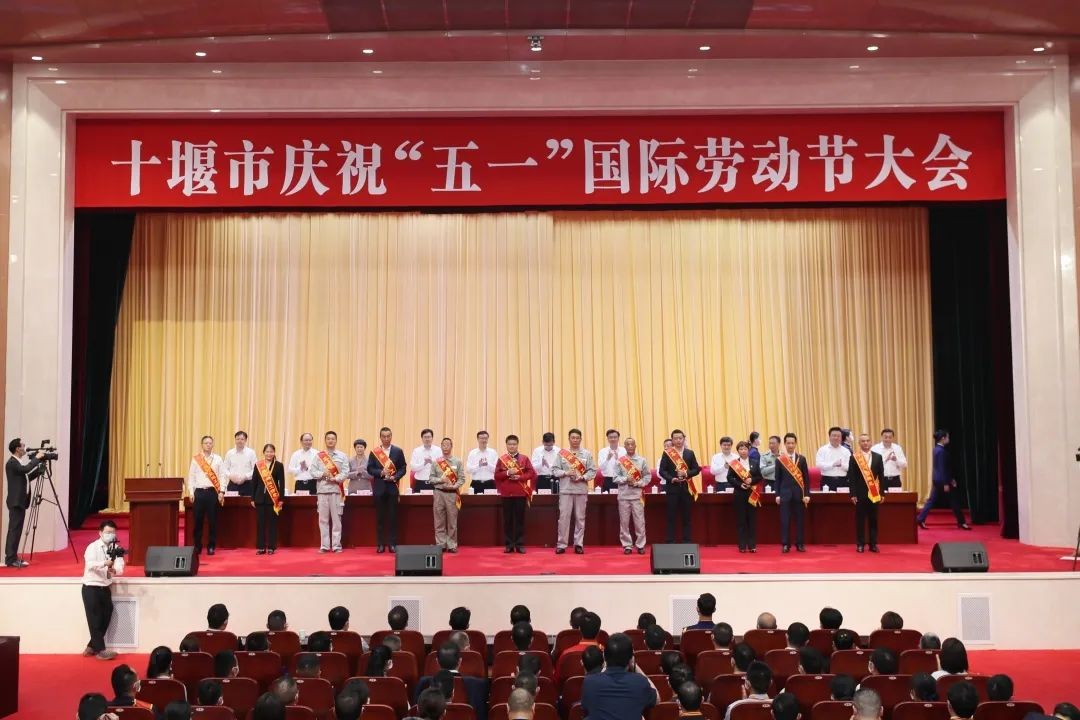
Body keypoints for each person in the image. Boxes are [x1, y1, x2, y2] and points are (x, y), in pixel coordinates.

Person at [580, 633, 658, 720]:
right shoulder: (640, 682)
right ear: (630, 658)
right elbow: (657, 699)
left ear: (604, 656)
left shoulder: (589, 682)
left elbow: (586, 708)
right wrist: (634, 665)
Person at [81, 519, 125, 660]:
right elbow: (90, 564)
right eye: (107, 532)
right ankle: (101, 650)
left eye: (112, 532)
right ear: (100, 533)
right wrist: (104, 563)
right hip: (91, 587)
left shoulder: (116, 548)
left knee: (106, 616)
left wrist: (114, 570)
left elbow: (120, 567)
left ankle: (91, 646)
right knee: (94, 619)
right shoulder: (92, 547)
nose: (110, 535)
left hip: (105, 587)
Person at [551, 428, 596, 554]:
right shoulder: (562, 454)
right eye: (573, 438)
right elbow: (554, 470)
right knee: (563, 518)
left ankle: (578, 544)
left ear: (581, 439)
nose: (575, 440)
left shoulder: (586, 454)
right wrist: (566, 473)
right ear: (569, 439)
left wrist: (582, 477)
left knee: (580, 518)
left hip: (581, 490)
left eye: (577, 438)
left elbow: (592, 471)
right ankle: (561, 544)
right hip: (565, 490)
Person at [917, 431, 971, 530]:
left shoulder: (936, 449)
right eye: (947, 437)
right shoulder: (941, 451)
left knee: (931, 501)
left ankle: (920, 519)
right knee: (954, 501)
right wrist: (947, 482)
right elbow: (943, 468)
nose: (948, 439)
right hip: (943, 480)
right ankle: (962, 522)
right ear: (943, 438)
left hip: (937, 479)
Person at [5, 438, 45, 568]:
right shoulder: (12, 463)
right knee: (14, 530)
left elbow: (26, 477)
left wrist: (39, 471)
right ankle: (10, 559)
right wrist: (37, 458)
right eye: (23, 445)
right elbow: (26, 470)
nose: (24, 448)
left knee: (17, 531)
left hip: (20, 502)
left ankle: (13, 557)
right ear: (17, 448)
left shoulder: (18, 464)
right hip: (16, 502)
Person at [367, 427, 408, 553]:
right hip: (379, 489)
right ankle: (380, 544)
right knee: (380, 518)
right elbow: (370, 469)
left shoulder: (398, 451)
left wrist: (395, 477)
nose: (386, 438)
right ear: (380, 437)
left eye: (388, 436)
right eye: (383, 436)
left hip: (392, 488)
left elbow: (403, 468)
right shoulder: (375, 452)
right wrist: (381, 472)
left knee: (393, 517)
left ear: (391, 436)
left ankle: (392, 544)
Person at [495, 434, 537, 554]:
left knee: (520, 520)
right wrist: (508, 472)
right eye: (509, 444)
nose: (512, 446)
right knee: (507, 520)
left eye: (514, 444)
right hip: (506, 494)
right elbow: (497, 475)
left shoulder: (524, 458)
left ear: (517, 445)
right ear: (506, 445)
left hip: (520, 493)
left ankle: (519, 544)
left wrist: (520, 477)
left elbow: (531, 473)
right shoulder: (502, 459)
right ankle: (509, 545)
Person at [660, 429, 702, 543]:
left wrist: (686, 473)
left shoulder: (689, 453)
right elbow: (662, 471)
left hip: (686, 489)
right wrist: (671, 478)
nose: (678, 440)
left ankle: (687, 541)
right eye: (675, 438)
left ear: (684, 439)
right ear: (672, 440)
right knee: (671, 516)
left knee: (686, 517)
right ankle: (670, 541)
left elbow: (696, 469)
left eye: (680, 438)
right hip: (672, 489)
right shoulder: (667, 453)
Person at [847, 433, 886, 553]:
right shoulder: (854, 457)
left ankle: (873, 544)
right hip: (860, 494)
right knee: (860, 520)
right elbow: (852, 477)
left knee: (874, 519)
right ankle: (860, 544)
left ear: (871, 442)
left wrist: (882, 493)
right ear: (859, 443)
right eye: (863, 441)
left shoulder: (878, 457)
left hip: (874, 493)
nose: (865, 443)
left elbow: (881, 476)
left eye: (867, 440)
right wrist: (853, 494)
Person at [187, 435, 225, 555]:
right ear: (202, 445)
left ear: (212, 445)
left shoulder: (218, 459)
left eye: (210, 443)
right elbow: (191, 476)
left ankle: (211, 546)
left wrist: (221, 491)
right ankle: (197, 546)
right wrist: (191, 492)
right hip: (199, 493)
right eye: (206, 443)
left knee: (213, 521)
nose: (208, 445)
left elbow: (222, 476)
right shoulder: (196, 459)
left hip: (212, 493)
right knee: (198, 521)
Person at [313, 431, 349, 553]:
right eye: (328, 438)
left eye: (333, 438)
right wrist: (322, 474)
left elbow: (345, 472)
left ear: (336, 440)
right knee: (323, 520)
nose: (330, 441)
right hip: (322, 491)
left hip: (336, 491)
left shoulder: (342, 456)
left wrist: (336, 478)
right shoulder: (319, 456)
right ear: (325, 440)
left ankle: (336, 546)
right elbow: (312, 471)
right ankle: (324, 546)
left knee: (337, 520)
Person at [429, 437, 466, 552]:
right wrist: (441, 480)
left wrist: (455, 486)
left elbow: (462, 478)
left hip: (452, 494)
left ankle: (452, 545)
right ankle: (441, 544)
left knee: (452, 521)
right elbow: (431, 479)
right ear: (441, 446)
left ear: (451, 446)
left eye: (447, 445)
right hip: (439, 493)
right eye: (443, 445)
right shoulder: (436, 462)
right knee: (439, 521)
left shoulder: (457, 462)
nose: (445, 447)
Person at [775, 433, 810, 553]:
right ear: (785, 444)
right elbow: (777, 479)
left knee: (799, 520)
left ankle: (800, 544)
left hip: (799, 495)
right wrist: (777, 495)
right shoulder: (780, 460)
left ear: (796, 444)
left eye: (792, 443)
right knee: (785, 521)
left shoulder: (802, 459)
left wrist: (807, 494)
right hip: (785, 495)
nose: (790, 445)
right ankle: (785, 544)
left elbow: (806, 479)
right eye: (788, 443)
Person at [613, 436, 649, 554]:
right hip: (623, 496)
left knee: (640, 522)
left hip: (637, 496)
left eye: (632, 444)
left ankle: (640, 545)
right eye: (627, 444)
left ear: (635, 446)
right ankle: (627, 545)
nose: (630, 446)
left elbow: (647, 476)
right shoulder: (620, 461)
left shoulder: (642, 460)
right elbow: (615, 478)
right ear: (624, 447)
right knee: (624, 522)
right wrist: (625, 479)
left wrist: (639, 483)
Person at [728, 440, 763, 552]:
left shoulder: (755, 462)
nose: (743, 451)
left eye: (745, 449)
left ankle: (752, 546)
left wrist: (752, 480)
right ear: (738, 451)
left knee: (751, 520)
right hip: (739, 494)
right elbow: (729, 478)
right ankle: (742, 546)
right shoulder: (734, 464)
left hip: (752, 493)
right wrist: (740, 484)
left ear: (749, 450)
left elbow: (759, 477)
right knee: (741, 520)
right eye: (741, 449)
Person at [250, 443, 285, 555]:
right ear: (263, 453)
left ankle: (271, 547)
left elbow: (282, 483)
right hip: (259, 498)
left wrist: (281, 499)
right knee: (260, 524)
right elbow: (254, 482)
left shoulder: (279, 465)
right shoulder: (258, 465)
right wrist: (252, 498)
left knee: (272, 523)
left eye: (271, 452)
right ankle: (261, 547)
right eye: (267, 452)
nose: (269, 454)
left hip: (273, 499)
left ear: (274, 453)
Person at [222, 430, 256, 497]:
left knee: (247, 503)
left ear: (245, 440)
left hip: (247, 485)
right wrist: (230, 476)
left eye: (242, 439)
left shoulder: (251, 453)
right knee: (232, 503)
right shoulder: (229, 453)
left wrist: (245, 476)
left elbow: (255, 469)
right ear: (235, 440)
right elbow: (224, 468)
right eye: (238, 439)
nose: (240, 441)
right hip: (233, 484)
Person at [816, 427, 851, 491]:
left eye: (838, 436)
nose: (836, 438)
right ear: (829, 437)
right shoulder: (822, 450)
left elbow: (850, 467)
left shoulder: (846, 451)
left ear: (841, 438)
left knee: (843, 498)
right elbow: (819, 465)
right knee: (826, 498)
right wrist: (832, 464)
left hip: (843, 481)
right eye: (834, 435)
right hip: (827, 481)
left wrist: (842, 465)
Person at [597, 429, 627, 493]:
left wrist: (617, 459)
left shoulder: (624, 451)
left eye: (615, 437)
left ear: (618, 438)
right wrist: (607, 459)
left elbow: (627, 468)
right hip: (608, 480)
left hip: (622, 480)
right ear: (607, 439)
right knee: (608, 499)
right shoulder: (602, 451)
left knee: (622, 499)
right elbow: (601, 468)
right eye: (610, 437)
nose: (613, 439)